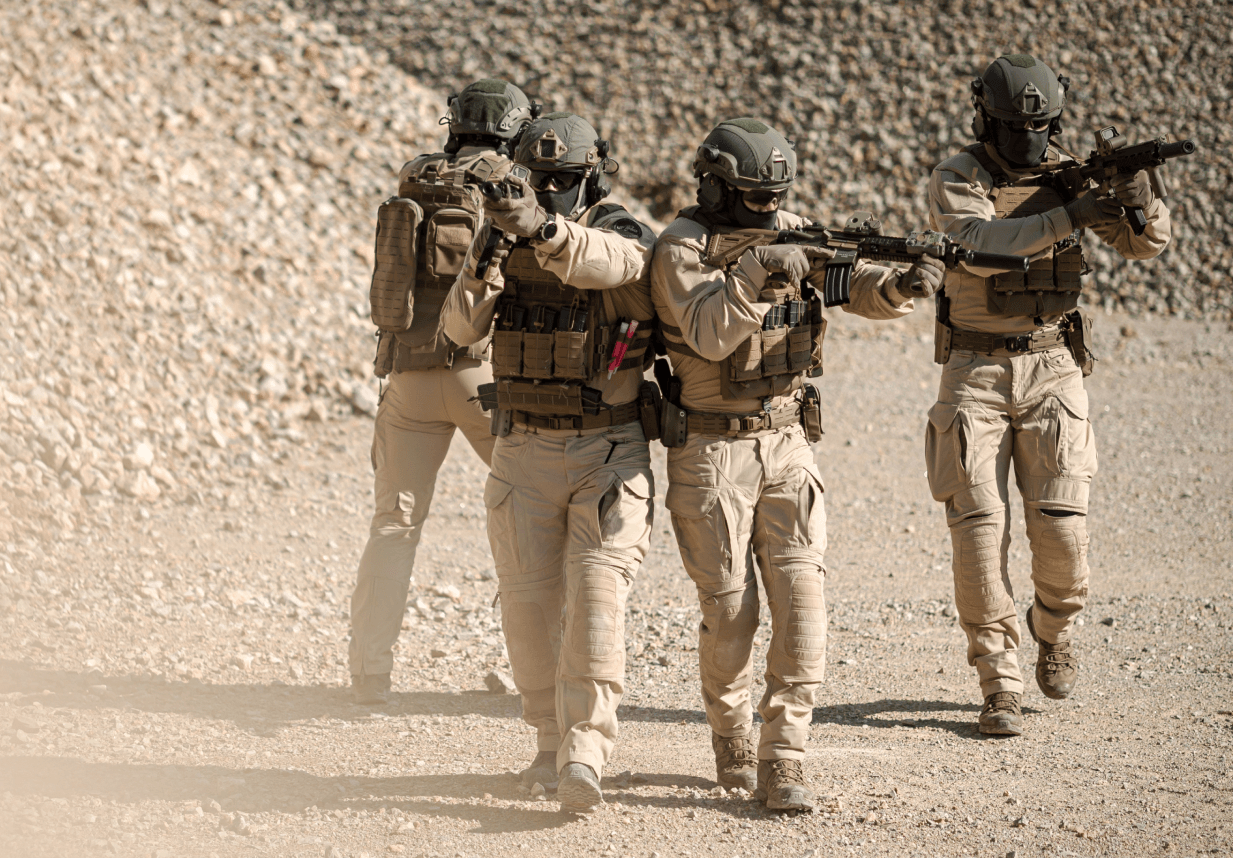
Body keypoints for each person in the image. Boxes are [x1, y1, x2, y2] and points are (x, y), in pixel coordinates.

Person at [649, 118, 942, 811]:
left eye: (775, 196)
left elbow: (849, 280)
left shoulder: (790, 227)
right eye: (753, 197)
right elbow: (710, 334)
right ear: (716, 187)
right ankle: (731, 733)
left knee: (803, 606)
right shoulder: (680, 248)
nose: (768, 210)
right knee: (732, 615)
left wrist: (899, 285)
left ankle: (784, 756)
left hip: (787, 441)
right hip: (711, 450)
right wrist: (754, 270)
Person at [924, 54, 1172, 736]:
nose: (1024, 142)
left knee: (1062, 531)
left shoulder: (1070, 176)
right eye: (1011, 128)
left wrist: (1138, 193)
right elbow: (979, 243)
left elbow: (1143, 246)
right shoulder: (958, 176)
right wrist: (1071, 213)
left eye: (1036, 129)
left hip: (1052, 364)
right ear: (985, 119)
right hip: (973, 370)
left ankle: (1055, 627)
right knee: (978, 533)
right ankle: (998, 679)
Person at [442, 112, 660, 813]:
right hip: (524, 448)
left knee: (597, 607)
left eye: (566, 181)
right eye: (543, 182)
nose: (554, 191)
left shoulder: (621, 228)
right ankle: (546, 741)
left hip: (606, 450)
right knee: (530, 611)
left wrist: (541, 227)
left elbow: (614, 264)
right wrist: (492, 245)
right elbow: (457, 328)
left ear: (591, 175)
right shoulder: (502, 237)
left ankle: (585, 754)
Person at [347, 79, 535, 706]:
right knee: (530, 516)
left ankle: (370, 673)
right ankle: (545, 673)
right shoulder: (512, 184)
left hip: (407, 375)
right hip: (480, 374)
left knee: (393, 528)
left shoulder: (416, 176)